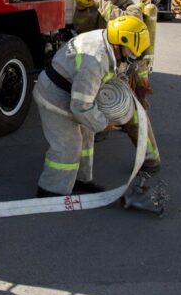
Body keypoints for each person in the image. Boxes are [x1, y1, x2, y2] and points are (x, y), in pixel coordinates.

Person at [34, 16, 151, 197]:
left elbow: (106, 74)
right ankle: (51, 191)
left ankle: (81, 181)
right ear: (119, 44)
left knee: (86, 139)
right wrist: (103, 123)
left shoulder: (107, 39)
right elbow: (81, 106)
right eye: (131, 53)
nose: (131, 58)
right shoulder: (95, 60)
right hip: (54, 96)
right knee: (68, 146)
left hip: (68, 90)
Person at [95, 0, 160, 172]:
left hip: (131, 70)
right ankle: (101, 131)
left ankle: (151, 158)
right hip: (110, 65)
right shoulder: (103, 6)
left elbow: (123, 24)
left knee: (134, 116)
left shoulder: (130, 9)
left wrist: (100, 2)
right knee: (100, 102)